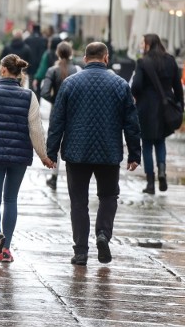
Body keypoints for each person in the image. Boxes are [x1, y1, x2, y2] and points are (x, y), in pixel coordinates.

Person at [47, 42, 141, 266]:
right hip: (109, 152)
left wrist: (51, 151)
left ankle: (80, 251)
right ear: (106, 58)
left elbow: (57, 120)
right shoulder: (119, 85)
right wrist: (134, 153)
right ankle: (103, 234)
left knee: (78, 202)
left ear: (85, 58)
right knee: (108, 196)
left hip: (76, 152)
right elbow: (131, 122)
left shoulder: (70, 83)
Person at [0, 54, 54, 264]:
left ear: (2, 70)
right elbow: (36, 129)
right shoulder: (28, 95)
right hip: (19, 154)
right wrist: (44, 155)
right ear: (19, 73)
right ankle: (5, 250)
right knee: (11, 199)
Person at [131, 34, 183, 194]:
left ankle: (150, 183)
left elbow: (136, 86)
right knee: (160, 141)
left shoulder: (142, 62)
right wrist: (180, 104)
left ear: (148, 44)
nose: (141, 46)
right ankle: (162, 171)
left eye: (142, 43)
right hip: (165, 106)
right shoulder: (170, 60)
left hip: (146, 108)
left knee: (146, 144)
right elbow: (177, 85)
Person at [41, 41, 81, 190]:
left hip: (56, 113)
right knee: (74, 142)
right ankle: (75, 176)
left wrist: (57, 101)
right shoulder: (77, 70)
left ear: (58, 53)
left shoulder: (53, 70)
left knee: (55, 144)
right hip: (75, 113)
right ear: (71, 53)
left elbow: (44, 92)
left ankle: (54, 177)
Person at [24, 24, 48, 96]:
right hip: (41, 66)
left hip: (30, 65)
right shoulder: (44, 39)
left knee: (31, 85)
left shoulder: (27, 39)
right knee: (39, 84)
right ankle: (37, 102)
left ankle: (31, 101)